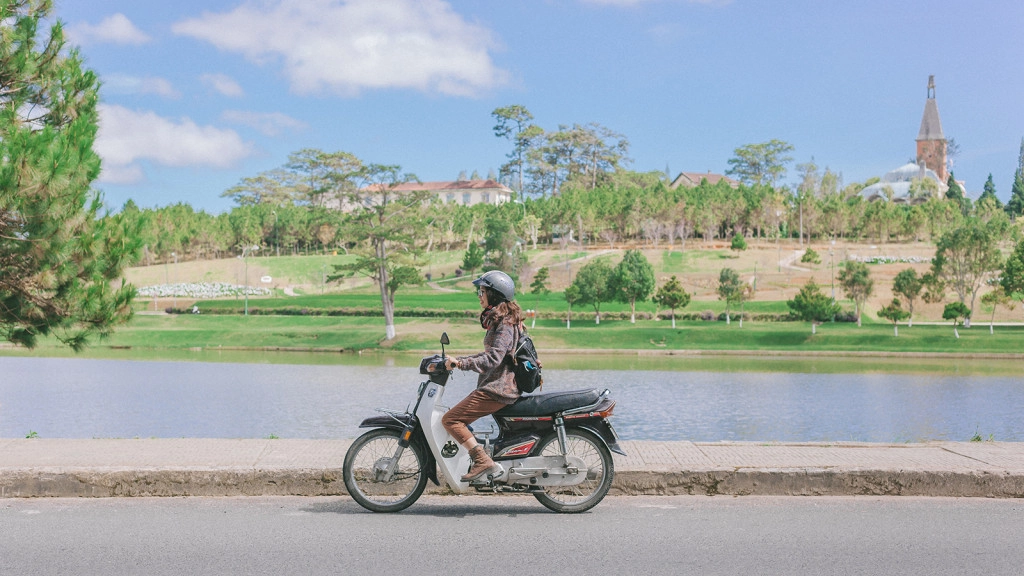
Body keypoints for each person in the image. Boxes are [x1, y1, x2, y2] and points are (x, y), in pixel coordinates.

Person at [441, 270, 524, 482]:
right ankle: (478, 455)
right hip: (495, 386)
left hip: (498, 389)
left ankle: (481, 459)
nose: (479, 295)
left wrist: (460, 363)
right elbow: (490, 355)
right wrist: (461, 359)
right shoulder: (503, 320)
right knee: (460, 418)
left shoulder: (504, 324)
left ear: (494, 295)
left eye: (482, 291)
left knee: (451, 419)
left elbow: (492, 359)